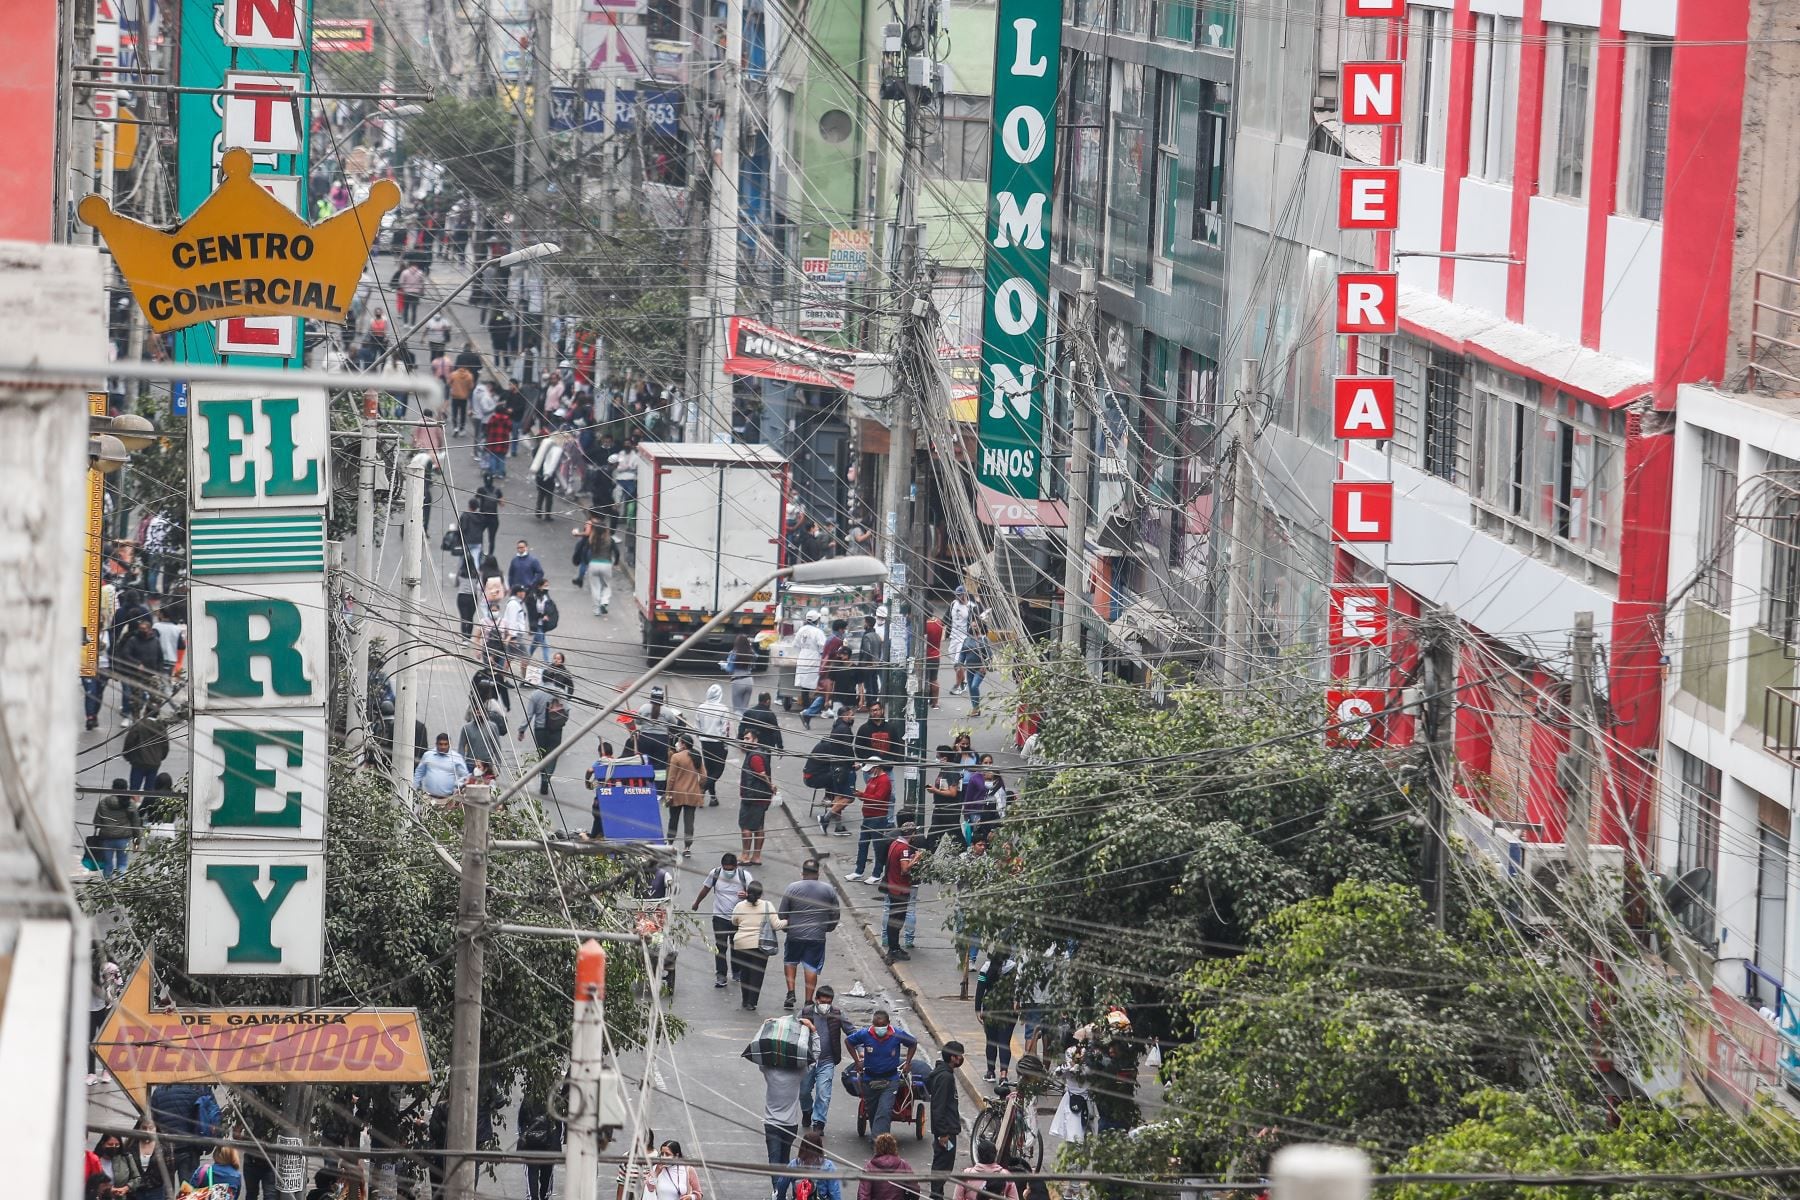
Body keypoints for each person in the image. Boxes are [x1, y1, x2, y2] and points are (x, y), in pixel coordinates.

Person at [758, 1013, 819, 1176]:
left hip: (771, 1124)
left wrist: (765, 1028)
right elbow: (815, 1056)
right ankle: (780, 1191)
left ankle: (778, 1191)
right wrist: (813, 1031)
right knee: (784, 1160)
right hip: (790, 1125)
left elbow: (759, 1052)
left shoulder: (769, 1071)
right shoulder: (799, 1072)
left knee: (774, 1161)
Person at [778, 859, 840, 1009]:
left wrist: (787, 927)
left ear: (802, 873)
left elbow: (782, 913)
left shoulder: (792, 888)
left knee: (790, 962)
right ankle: (808, 1000)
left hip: (794, 934)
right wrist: (828, 928)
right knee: (811, 967)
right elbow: (835, 913)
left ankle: (791, 993)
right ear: (818, 873)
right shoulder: (828, 889)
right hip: (817, 936)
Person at [846, 1011, 918, 1139]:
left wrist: (908, 1062)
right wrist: (857, 1061)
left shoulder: (897, 1034)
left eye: (883, 1025)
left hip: (890, 1080)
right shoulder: (865, 1034)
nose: (880, 1028)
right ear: (873, 1024)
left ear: (888, 1024)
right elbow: (849, 1042)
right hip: (869, 1079)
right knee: (873, 1112)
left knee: (884, 1112)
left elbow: (913, 1043)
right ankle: (879, 1138)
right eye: (877, 1025)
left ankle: (879, 1144)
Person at [694, 852, 754, 987]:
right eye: (725, 869)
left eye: (730, 869)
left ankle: (737, 971)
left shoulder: (745, 876)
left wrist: (747, 895)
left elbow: (756, 895)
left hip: (738, 918)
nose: (727, 872)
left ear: (736, 866)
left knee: (737, 946)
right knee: (720, 946)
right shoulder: (715, 873)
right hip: (720, 916)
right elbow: (706, 888)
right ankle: (721, 975)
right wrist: (697, 903)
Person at [729, 879, 785, 1009]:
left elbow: (734, 922)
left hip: (741, 944)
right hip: (760, 945)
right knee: (757, 974)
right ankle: (751, 1002)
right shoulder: (767, 905)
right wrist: (787, 921)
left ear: (747, 893)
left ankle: (744, 999)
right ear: (760, 894)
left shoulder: (740, 906)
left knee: (745, 972)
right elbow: (776, 925)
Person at [799, 984, 848, 1130]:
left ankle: (819, 1122)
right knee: (803, 1092)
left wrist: (861, 1047)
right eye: (823, 1002)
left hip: (827, 1060)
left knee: (823, 1092)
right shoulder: (806, 1012)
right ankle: (807, 1111)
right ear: (816, 1000)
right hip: (808, 1060)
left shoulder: (837, 1014)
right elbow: (793, 1028)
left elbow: (851, 1031)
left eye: (828, 1002)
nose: (825, 1005)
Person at [926, 1043, 967, 1200]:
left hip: (947, 1128)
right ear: (953, 1058)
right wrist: (943, 1133)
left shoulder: (943, 1073)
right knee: (942, 1165)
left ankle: (937, 1194)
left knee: (944, 1165)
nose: (961, 1059)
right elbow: (939, 1107)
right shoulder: (945, 1077)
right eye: (960, 1056)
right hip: (946, 1131)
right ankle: (936, 1195)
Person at [845, 761, 893, 885]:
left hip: (878, 818)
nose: (869, 772)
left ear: (877, 768)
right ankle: (858, 871)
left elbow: (878, 798)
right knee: (863, 845)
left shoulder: (884, 781)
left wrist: (862, 795)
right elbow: (869, 795)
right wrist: (861, 795)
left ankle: (877, 873)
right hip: (868, 816)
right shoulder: (873, 779)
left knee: (878, 847)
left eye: (871, 770)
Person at [973, 952, 1018, 1084]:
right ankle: (1003, 1075)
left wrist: (977, 1009)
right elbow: (1019, 988)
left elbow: (980, 989)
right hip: (1009, 1010)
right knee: (1005, 1043)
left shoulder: (985, 969)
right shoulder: (1014, 968)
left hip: (990, 1009)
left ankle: (990, 1072)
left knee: (991, 1041)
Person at [881, 822, 923, 962]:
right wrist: (916, 859)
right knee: (897, 921)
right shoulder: (904, 848)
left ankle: (894, 947)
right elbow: (905, 869)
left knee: (894, 919)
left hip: (893, 887)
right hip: (900, 890)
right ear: (911, 834)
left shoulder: (895, 844)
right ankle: (893, 949)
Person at [813, 710, 859, 836]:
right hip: (844, 768)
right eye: (850, 714)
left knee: (838, 797)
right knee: (849, 797)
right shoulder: (844, 729)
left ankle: (838, 827)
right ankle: (825, 819)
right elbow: (847, 749)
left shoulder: (836, 727)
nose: (852, 716)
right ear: (844, 715)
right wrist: (853, 763)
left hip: (835, 767)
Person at [800, 620, 851, 724]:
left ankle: (808, 714)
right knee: (826, 693)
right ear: (840, 629)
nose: (844, 631)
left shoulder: (831, 638)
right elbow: (834, 655)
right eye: (844, 629)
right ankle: (808, 713)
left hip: (826, 668)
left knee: (824, 694)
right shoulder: (837, 640)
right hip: (829, 670)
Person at [738, 728, 776, 865]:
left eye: (747, 738)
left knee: (746, 826)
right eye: (744, 738)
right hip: (760, 796)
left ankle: (745, 855)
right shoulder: (759, 752)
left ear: (755, 740)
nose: (744, 740)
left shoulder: (755, 756)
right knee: (759, 826)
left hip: (753, 796)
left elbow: (761, 773)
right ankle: (756, 856)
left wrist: (771, 785)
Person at [517, 1090, 563, 1200]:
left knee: (532, 1176)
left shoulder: (528, 1099)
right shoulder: (554, 1099)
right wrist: (556, 1142)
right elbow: (560, 1126)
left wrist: (524, 1138)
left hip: (531, 1145)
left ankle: (533, 1197)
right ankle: (544, 1196)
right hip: (549, 1146)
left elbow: (521, 1123)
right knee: (546, 1177)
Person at [664, 735, 704, 856]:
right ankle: (687, 848)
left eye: (679, 742)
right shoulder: (697, 756)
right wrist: (698, 787)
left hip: (677, 793)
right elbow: (704, 776)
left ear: (683, 744)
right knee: (689, 821)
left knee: (673, 819)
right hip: (692, 793)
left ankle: (670, 844)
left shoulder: (676, 757)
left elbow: (671, 778)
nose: (677, 744)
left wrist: (668, 793)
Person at [92, 782, 141, 878]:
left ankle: (107, 887)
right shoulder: (130, 804)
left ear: (112, 788)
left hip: (106, 839)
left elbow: (96, 822)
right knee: (122, 864)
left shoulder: (103, 802)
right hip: (124, 839)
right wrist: (136, 842)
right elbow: (136, 825)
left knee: (107, 865)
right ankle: (120, 887)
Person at [777, 1127, 842, 1200]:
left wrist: (781, 1198)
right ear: (820, 1146)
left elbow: (781, 1184)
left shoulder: (794, 1164)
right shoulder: (828, 1166)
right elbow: (834, 1191)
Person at [694, 684, 731, 806]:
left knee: (710, 770)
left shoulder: (700, 708)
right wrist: (725, 744)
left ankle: (713, 798)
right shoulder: (723, 709)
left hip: (705, 743)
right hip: (718, 743)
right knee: (718, 771)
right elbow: (725, 729)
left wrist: (701, 737)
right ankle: (702, 788)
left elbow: (697, 726)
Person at [634, 686, 683, 771]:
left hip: (645, 738)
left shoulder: (644, 708)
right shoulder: (667, 711)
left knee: (645, 762)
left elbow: (637, 722)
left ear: (651, 697)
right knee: (660, 765)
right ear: (662, 698)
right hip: (661, 740)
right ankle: (659, 783)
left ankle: (646, 781)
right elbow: (674, 724)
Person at [856, 1133, 916, 1200]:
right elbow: (915, 1189)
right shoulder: (904, 1165)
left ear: (877, 1148)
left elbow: (863, 1194)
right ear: (894, 1147)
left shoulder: (870, 1167)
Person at [413, 733, 471, 800]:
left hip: (449, 798)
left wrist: (457, 786)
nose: (443, 747)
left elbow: (465, 776)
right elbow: (419, 772)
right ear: (436, 744)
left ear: (449, 745)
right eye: (440, 744)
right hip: (428, 798)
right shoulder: (428, 755)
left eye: (445, 744)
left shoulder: (456, 757)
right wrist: (414, 789)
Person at [951, 1142, 1017, 1200]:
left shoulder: (967, 1174)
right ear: (995, 1155)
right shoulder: (1005, 1175)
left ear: (978, 1155)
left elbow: (957, 1198)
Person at [458, 705, 503, 781]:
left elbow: (497, 748)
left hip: (487, 766)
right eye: (476, 712)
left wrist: (497, 766)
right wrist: (460, 765)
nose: (478, 715)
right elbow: (461, 747)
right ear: (473, 713)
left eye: (480, 712)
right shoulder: (466, 728)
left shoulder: (492, 727)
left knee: (488, 789)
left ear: (485, 713)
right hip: (470, 765)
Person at [960, 611, 991, 717]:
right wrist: (959, 664)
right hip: (969, 668)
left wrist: (985, 665)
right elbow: (962, 654)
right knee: (970, 688)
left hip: (980, 669)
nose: (974, 628)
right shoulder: (967, 639)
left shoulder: (983, 639)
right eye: (972, 626)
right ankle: (975, 708)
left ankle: (976, 708)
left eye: (976, 626)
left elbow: (989, 655)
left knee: (974, 686)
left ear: (979, 627)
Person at [854, 613, 887, 710]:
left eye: (864, 622)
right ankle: (874, 700)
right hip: (875, 663)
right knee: (874, 682)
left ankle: (870, 702)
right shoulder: (876, 635)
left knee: (869, 684)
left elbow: (867, 651)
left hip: (868, 664)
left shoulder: (867, 636)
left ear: (867, 623)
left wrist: (866, 662)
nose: (863, 624)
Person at [945, 587, 974, 695]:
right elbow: (947, 618)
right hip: (953, 637)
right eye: (956, 595)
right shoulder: (953, 603)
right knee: (954, 661)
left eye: (960, 595)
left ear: (965, 594)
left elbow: (976, 621)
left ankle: (957, 686)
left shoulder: (970, 606)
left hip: (964, 638)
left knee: (959, 663)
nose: (958, 597)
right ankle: (963, 680)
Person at [726, 633, 757, 714]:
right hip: (749, 680)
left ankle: (743, 724)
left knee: (737, 710)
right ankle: (746, 724)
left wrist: (724, 665)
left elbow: (730, 669)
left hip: (738, 681)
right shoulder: (752, 653)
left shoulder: (733, 653)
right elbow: (754, 663)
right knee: (744, 708)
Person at [529, 580, 559, 662]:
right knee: (545, 646)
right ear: (539, 586)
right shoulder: (534, 597)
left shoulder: (546, 596)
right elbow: (532, 612)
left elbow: (550, 608)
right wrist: (532, 626)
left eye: (548, 585)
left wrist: (548, 615)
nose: (547, 587)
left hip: (543, 625)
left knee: (534, 645)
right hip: (537, 625)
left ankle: (525, 659)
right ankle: (548, 666)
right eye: (545, 585)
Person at [923, 614, 944, 709]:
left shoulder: (925, 625)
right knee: (934, 679)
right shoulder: (939, 622)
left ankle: (924, 700)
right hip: (936, 655)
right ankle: (935, 702)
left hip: (926, 656)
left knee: (924, 680)